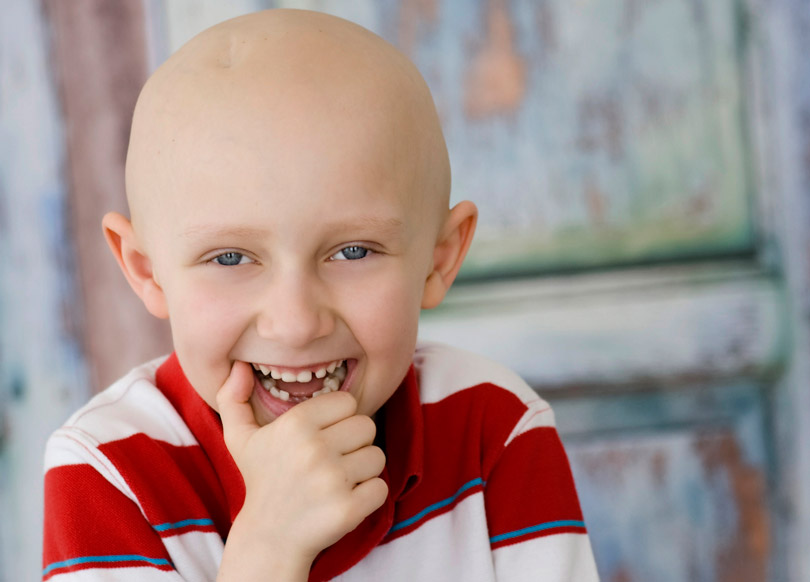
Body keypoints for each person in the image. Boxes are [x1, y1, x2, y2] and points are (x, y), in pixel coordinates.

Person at [42, 9, 599, 582]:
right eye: (230, 258)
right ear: (147, 271)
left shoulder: (494, 429)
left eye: (353, 252)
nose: (296, 322)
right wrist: (268, 548)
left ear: (439, 257)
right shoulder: (108, 469)